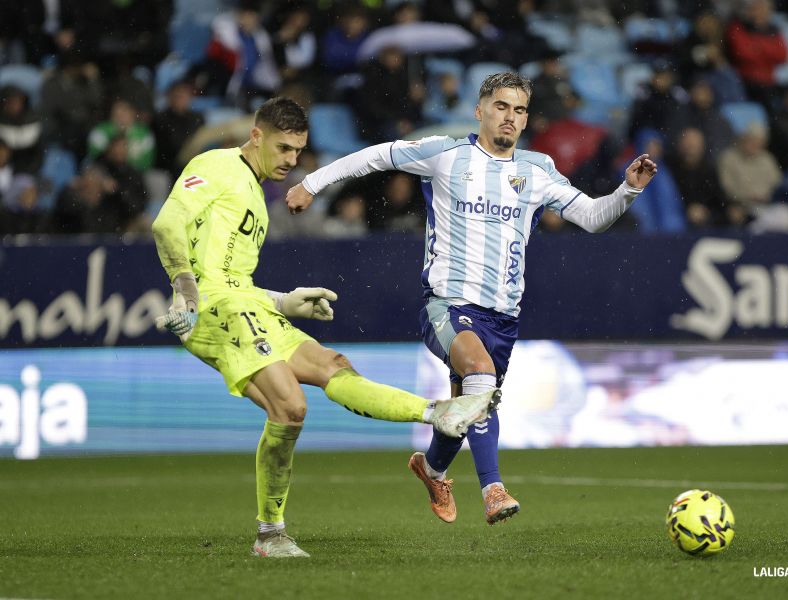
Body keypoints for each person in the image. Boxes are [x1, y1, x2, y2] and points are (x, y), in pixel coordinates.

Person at [285, 73, 656, 525]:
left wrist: (628, 190)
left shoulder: (537, 170)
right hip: (447, 304)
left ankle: (432, 466)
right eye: (501, 106)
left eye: (519, 110)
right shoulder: (447, 154)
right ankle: (493, 489)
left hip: (503, 316)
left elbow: (593, 218)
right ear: (480, 110)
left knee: (465, 410)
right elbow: (377, 156)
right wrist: (312, 184)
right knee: (479, 376)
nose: (510, 117)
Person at [151, 97, 499, 558]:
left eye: (299, 152)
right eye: (284, 149)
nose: (292, 161)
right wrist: (184, 289)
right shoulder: (215, 165)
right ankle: (271, 533)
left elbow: (231, 274)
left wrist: (284, 301)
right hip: (214, 310)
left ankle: (436, 413)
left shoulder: (257, 191)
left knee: (331, 365)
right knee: (291, 406)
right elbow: (166, 224)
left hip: (243, 302)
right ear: (256, 136)